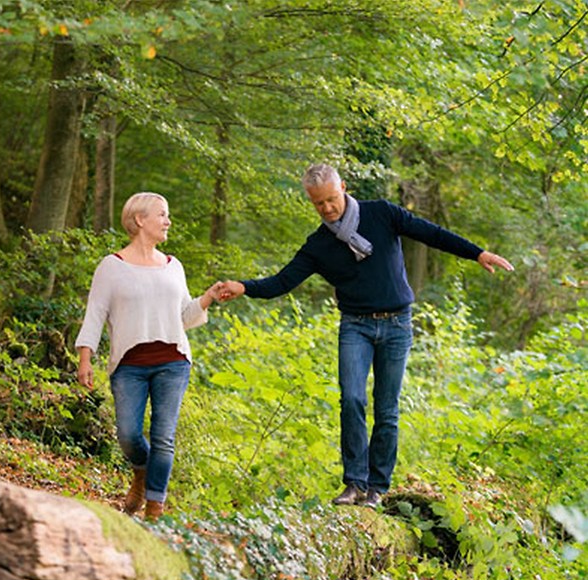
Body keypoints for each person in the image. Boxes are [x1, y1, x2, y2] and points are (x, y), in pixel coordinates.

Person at [219, 163, 514, 509]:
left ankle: (377, 488)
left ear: (343, 187)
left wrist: (476, 252)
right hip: (355, 326)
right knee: (352, 400)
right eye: (318, 203)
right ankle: (355, 483)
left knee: (386, 409)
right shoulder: (318, 245)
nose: (327, 208)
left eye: (331, 199)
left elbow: (431, 233)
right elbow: (281, 282)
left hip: (397, 325)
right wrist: (244, 287)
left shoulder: (382, 214)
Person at [75, 192, 222, 521]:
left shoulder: (173, 266)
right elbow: (95, 315)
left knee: (163, 437)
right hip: (129, 366)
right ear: (140, 219)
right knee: (128, 435)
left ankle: (155, 510)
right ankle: (141, 471)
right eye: (162, 214)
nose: (168, 221)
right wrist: (85, 358)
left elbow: (184, 317)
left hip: (173, 362)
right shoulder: (111, 267)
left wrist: (208, 297)